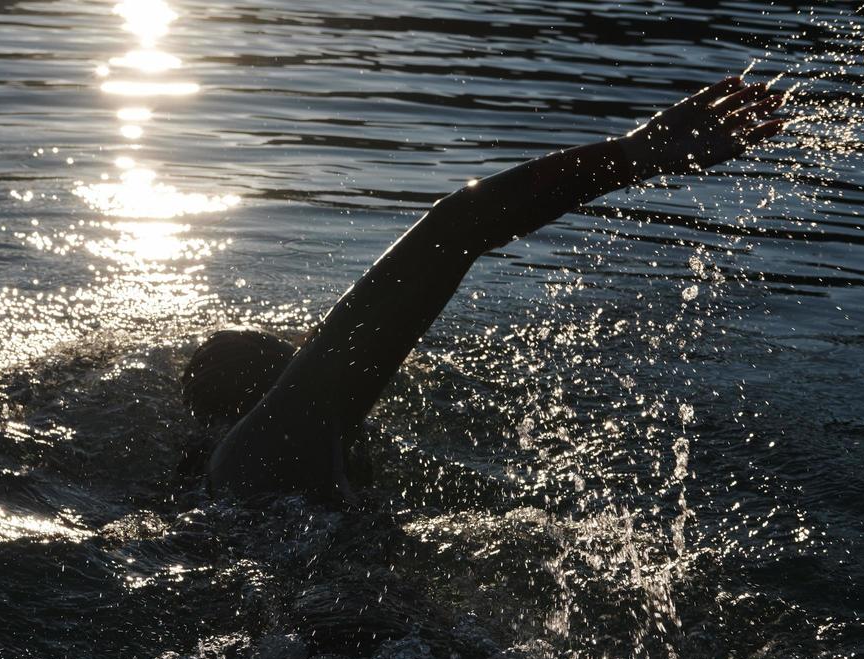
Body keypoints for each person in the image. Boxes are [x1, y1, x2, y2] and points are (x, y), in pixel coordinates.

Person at [182, 76, 788, 502]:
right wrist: (634, 155)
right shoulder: (272, 444)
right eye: (303, 361)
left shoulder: (247, 477)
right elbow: (454, 228)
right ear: (279, 388)